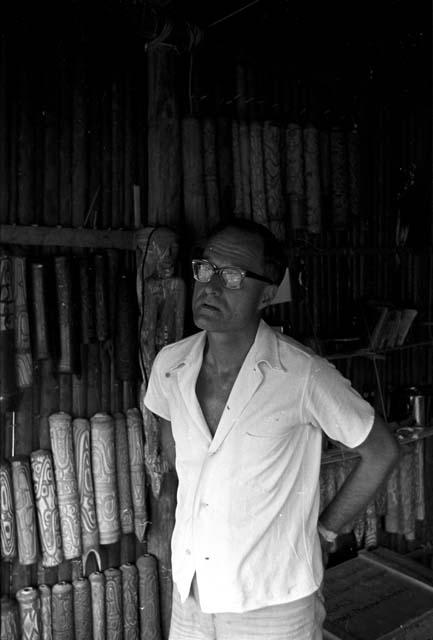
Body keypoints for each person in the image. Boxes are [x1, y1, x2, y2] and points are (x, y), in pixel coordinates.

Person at [144, 218, 399, 640]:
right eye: (205, 269)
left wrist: (325, 530)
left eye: (233, 276)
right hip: (193, 595)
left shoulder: (302, 375)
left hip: (273, 602)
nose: (210, 287)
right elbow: (179, 451)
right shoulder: (169, 366)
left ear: (266, 295)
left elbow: (383, 451)